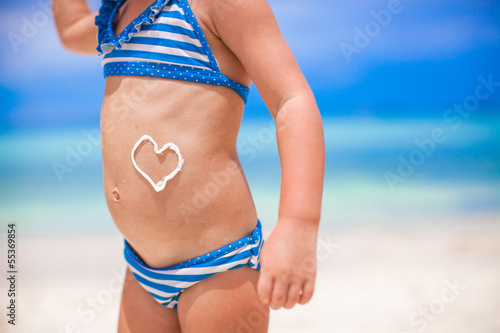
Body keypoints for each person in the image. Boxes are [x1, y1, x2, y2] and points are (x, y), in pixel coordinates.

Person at [52, 0, 325, 331]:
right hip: (141, 267)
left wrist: (298, 224)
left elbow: (291, 102)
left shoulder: (216, 6)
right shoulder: (119, 13)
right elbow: (70, 30)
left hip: (220, 266)